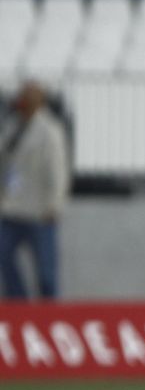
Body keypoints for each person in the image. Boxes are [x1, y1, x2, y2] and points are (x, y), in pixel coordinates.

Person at [0, 81, 70, 299]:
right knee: (4, 255)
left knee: (45, 270)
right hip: (12, 208)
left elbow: (58, 169)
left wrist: (55, 204)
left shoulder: (49, 131)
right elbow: (10, 164)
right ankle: (17, 301)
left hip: (39, 210)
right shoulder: (13, 127)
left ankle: (48, 313)